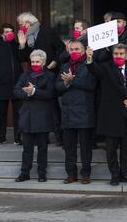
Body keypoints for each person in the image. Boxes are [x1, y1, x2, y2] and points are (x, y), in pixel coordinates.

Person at [86, 44, 127, 186]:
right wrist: (89, 58)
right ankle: (115, 175)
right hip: (111, 116)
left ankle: (125, 174)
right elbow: (94, 69)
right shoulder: (106, 68)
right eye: (116, 53)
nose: (118, 56)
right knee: (111, 150)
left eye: (121, 53)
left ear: (126, 56)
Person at [17, 12, 65, 146]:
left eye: (21, 24)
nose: (20, 27)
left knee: (53, 105)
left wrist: (55, 61)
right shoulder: (25, 36)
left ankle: (59, 137)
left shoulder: (47, 31)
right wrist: (21, 45)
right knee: (37, 104)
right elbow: (22, 58)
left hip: (50, 72)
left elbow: (61, 48)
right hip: (34, 75)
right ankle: (43, 137)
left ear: (28, 23)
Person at [55, 40, 96, 184]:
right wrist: (66, 83)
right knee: (69, 148)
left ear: (84, 51)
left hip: (84, 112)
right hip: (67, 113)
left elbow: (91, 85)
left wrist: (73, 81)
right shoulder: (65, 66)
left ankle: (86, 174)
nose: (74, 51)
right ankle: (71, 174)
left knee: (85, 148)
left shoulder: (89, 66)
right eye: (71, 49)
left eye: (77, 49)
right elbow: (57, 86)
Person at [14, 49, 55, 183]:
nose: (35, 64)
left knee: (42, 148)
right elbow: (16, 91)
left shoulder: (50, 76)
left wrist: (34, 91)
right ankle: (24, 172)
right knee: (27, 149)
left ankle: (42, 173)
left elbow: (50, 94)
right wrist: (27, 93)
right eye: (32, 61)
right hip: (27, 117)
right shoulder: (24, 75)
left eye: (37, 61)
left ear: (43, 62)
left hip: (42, 117)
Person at [0, 23, 23, 145]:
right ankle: (1, 137)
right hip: (2, 85)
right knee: (2, 112)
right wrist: (1, 77)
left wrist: (22, 45)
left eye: (11, 31)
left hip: (17, 85)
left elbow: (23, 58)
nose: (9, 34)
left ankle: (18, 137)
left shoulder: (17, 47)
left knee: (18, 112)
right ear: (1, 34)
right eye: (7, 32)